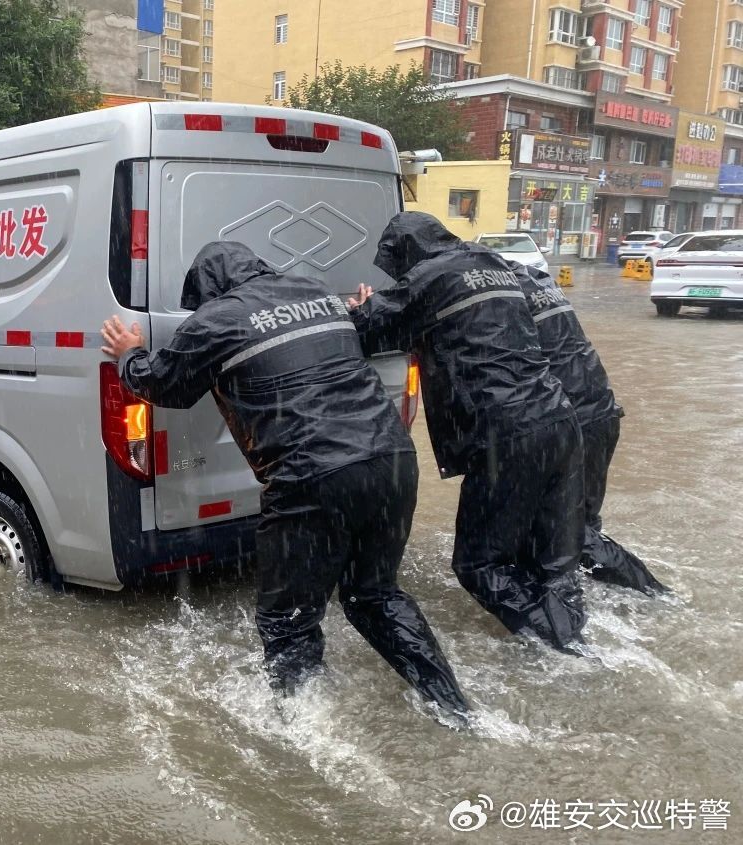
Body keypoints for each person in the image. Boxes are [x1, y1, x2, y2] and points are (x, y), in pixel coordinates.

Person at [100, 241, 469, 714]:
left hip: (310, 478)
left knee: (287, 622)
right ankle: (454, 708)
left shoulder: (215, 320)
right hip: (391, 460)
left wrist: (130, 355)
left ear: (209, 291)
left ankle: (306, 734)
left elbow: (164, 386)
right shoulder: (314, 291)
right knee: (373, 595)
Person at [346, 212, 587, 652]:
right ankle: (574, 631)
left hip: (507, 433)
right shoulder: (491, 261)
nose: (399, 275)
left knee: (480, 564)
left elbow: (367, 333)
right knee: (555, 561)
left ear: (407, 252)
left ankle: (564, 647)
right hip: (559, 419)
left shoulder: (428, 275)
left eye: (396, 266)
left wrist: (363, 308)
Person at [519, 265, 667, 595]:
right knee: (580, 523)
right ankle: (626, 594)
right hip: (601, 412)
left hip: (574, 423)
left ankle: (647, 592)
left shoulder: (504, 298)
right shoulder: (536, 281)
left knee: (567, 530)